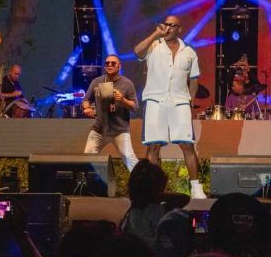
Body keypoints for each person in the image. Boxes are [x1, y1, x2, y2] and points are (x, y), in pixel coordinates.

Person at [134, 15, 205, 199]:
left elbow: (194, 79)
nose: (168, 28)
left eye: (172, 25)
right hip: (155, 100)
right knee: (153, 146)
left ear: (179, 29)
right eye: (166, 24)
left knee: (187, 145)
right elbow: (137, 51)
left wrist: (190, 100)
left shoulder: (188, 51)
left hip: (180, 101)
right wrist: (155, 34)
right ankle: (153, 189)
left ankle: (196, 187)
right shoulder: (154, 45)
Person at [81, 54, 139, 172]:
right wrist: (87, 108)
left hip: (119, 129)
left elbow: (135, 107)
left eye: (113, 63)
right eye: (107, 63)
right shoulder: (97, 81)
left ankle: (143, 180)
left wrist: (122, 100)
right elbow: (86, 100)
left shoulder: (127, 83)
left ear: (119, 66)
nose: (110, 65)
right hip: (100, 128)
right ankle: (92, 181)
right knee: (88, 156)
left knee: (129, 158)